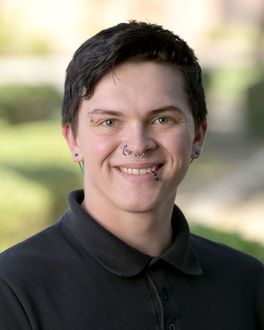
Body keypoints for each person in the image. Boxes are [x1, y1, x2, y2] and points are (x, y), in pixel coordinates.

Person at [0, 21, 263, 330]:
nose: (138, 145)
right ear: (73, 139)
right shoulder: (12, 291)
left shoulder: (248, 283)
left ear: (198, 136)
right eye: (109, 122)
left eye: (163, 119)